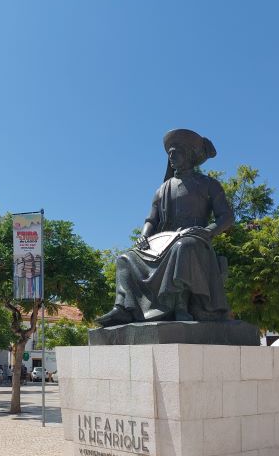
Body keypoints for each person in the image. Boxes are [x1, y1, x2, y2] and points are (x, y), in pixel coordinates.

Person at [97, 129, 233, 326]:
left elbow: (227, 216)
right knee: (125, 258)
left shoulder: (208, 184)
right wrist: (144, 236)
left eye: (175, 152)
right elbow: (151, 220)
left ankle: (180, 305)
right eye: (169, 154)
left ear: (188, 154)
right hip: (164, 241)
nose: (171, 157)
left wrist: (209, 230)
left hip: (195, 241)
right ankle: (124, 307)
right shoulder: (163, 189)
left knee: (183, 246)